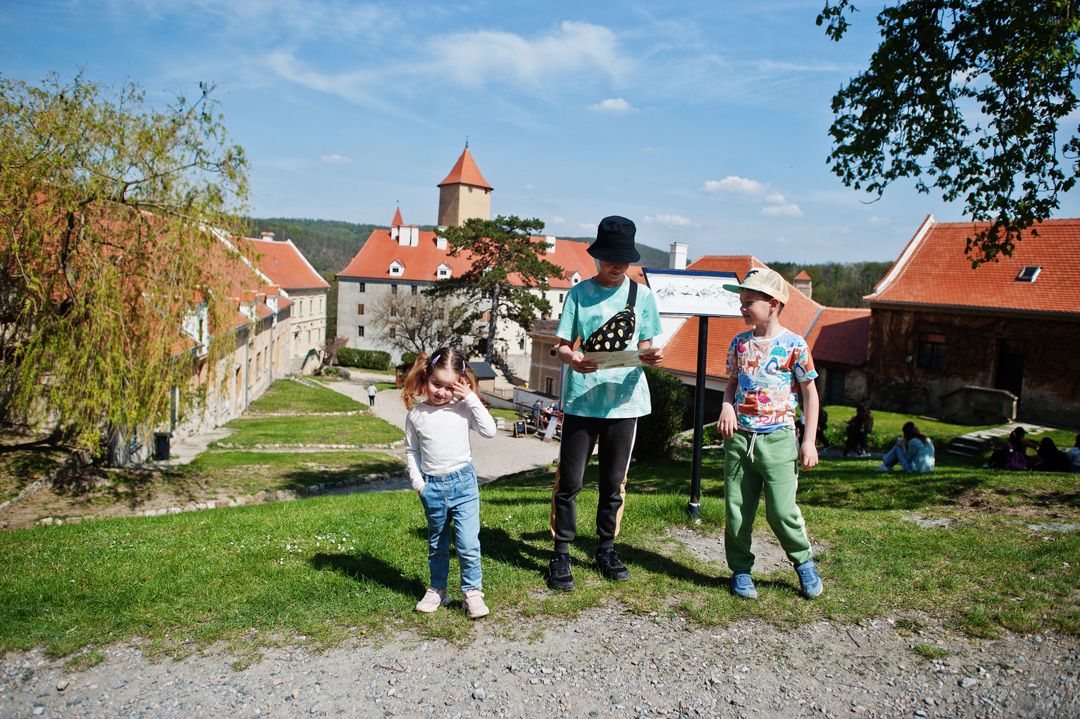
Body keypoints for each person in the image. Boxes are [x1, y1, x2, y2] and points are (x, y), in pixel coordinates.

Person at [547, 216, 664, 591]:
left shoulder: (642, 296)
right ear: (597, 256)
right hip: (582, 401)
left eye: (624, 260)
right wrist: (574, 359)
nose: (617, 266)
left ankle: (606, 547)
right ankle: (561, 552)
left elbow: (646, 342)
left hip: (625, 403)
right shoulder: (579, 294)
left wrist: (649, 358)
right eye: (611, 259)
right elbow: (564, 346)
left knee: (614, 483)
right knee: (571, 481)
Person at [717, 267, 823, 600]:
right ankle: (741, 571)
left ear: (773, 303)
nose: (742, 308)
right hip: (740, 441)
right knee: (737, 510)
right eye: (741, 301)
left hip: (779, 440)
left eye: (749, 302)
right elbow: (731, 385)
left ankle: (803, 562)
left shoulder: (794, 345)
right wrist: (726, 407)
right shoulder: (739, 344)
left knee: (781, 511)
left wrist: (808, 442)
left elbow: (810, 394)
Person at [402, 347, 496, 618]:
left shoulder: (464, 408)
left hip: (464, 485)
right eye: (436, 384)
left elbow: (489, 431)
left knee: (468, 543)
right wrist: (419, 484)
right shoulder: (416, 415)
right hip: (432, 487)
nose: (441, 392)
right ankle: (437, 589)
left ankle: (472, 592)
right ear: (425, 379)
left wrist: (471, 398)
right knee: (437, 543)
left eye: (448, 386)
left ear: (460, 384)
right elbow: (412, 452)